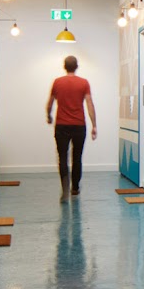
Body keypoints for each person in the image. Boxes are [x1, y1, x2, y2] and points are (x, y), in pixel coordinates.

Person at [46, 55, 98, 200]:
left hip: (62, 125)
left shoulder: (57, 82)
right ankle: (75, 188)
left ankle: (65, 186)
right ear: (77, 66)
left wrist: (48, 116)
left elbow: (50, 103)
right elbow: (89, 104)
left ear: (64, 66)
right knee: (77, 157)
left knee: (62, 157)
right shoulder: (84, 83)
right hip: (79, 125)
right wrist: (94, 125)